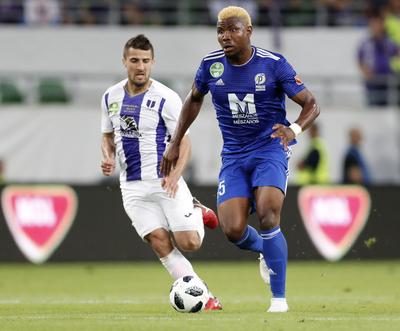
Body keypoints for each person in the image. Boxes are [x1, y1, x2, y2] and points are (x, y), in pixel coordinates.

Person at [161, 6, 320, 313]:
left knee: (268, 214)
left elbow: (311, 103)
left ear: (249, 32)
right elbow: (193, 100)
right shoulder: (210, 66)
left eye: (233, 30)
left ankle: (278, 301)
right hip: (234, 155)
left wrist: (294, 129)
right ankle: (266, 250)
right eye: (221, 30)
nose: (225, 36)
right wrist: (175, 141)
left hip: (269, 149)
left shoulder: (273, 64)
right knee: (232, 229)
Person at [100, 34, 222, 310]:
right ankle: (206, 298)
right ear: (125, 62)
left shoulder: (166, 97)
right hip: (132, 186)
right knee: (159, 242)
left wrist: (177, 175)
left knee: (189, 242)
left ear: (153, 62)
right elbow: (107, 135)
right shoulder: (110, 97)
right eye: (134, 60)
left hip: (165, 180)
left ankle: (197, 210)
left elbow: (184, 141)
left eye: (145, 61)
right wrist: (107, 157)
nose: (140, 66)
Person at [358, 12, 400, 106]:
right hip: (373, 84)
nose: (375, 27)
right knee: (374, 111)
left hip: (388, 83)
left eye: (377, 24)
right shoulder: (365, 44)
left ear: (382, 25)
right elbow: (360, 60)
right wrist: (365, 71)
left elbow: (397, 53)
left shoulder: (389, 43)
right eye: (373, 25)